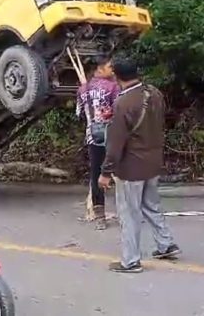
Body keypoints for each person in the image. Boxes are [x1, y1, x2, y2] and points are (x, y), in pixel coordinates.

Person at [98, 55, 181, 273]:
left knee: (129, 214)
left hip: (131, 168)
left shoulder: (123, 103)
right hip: (153, 162)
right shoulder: (153, 93)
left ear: (116, 75)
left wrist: (106, 172)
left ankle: (130, 261)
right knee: (151, 206)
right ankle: (166, 244)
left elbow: (116, 144)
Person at [76, 55, 120, 230]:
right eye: (110, 67)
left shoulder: (82, 89)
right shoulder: (113, 87)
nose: (113, 70)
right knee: (120, 172)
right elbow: (119, 111)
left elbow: (79, 114)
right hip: (113, 136)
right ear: (100, 69)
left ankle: (100, 215)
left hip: (93, 137)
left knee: (96, 175)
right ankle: (127, 211)